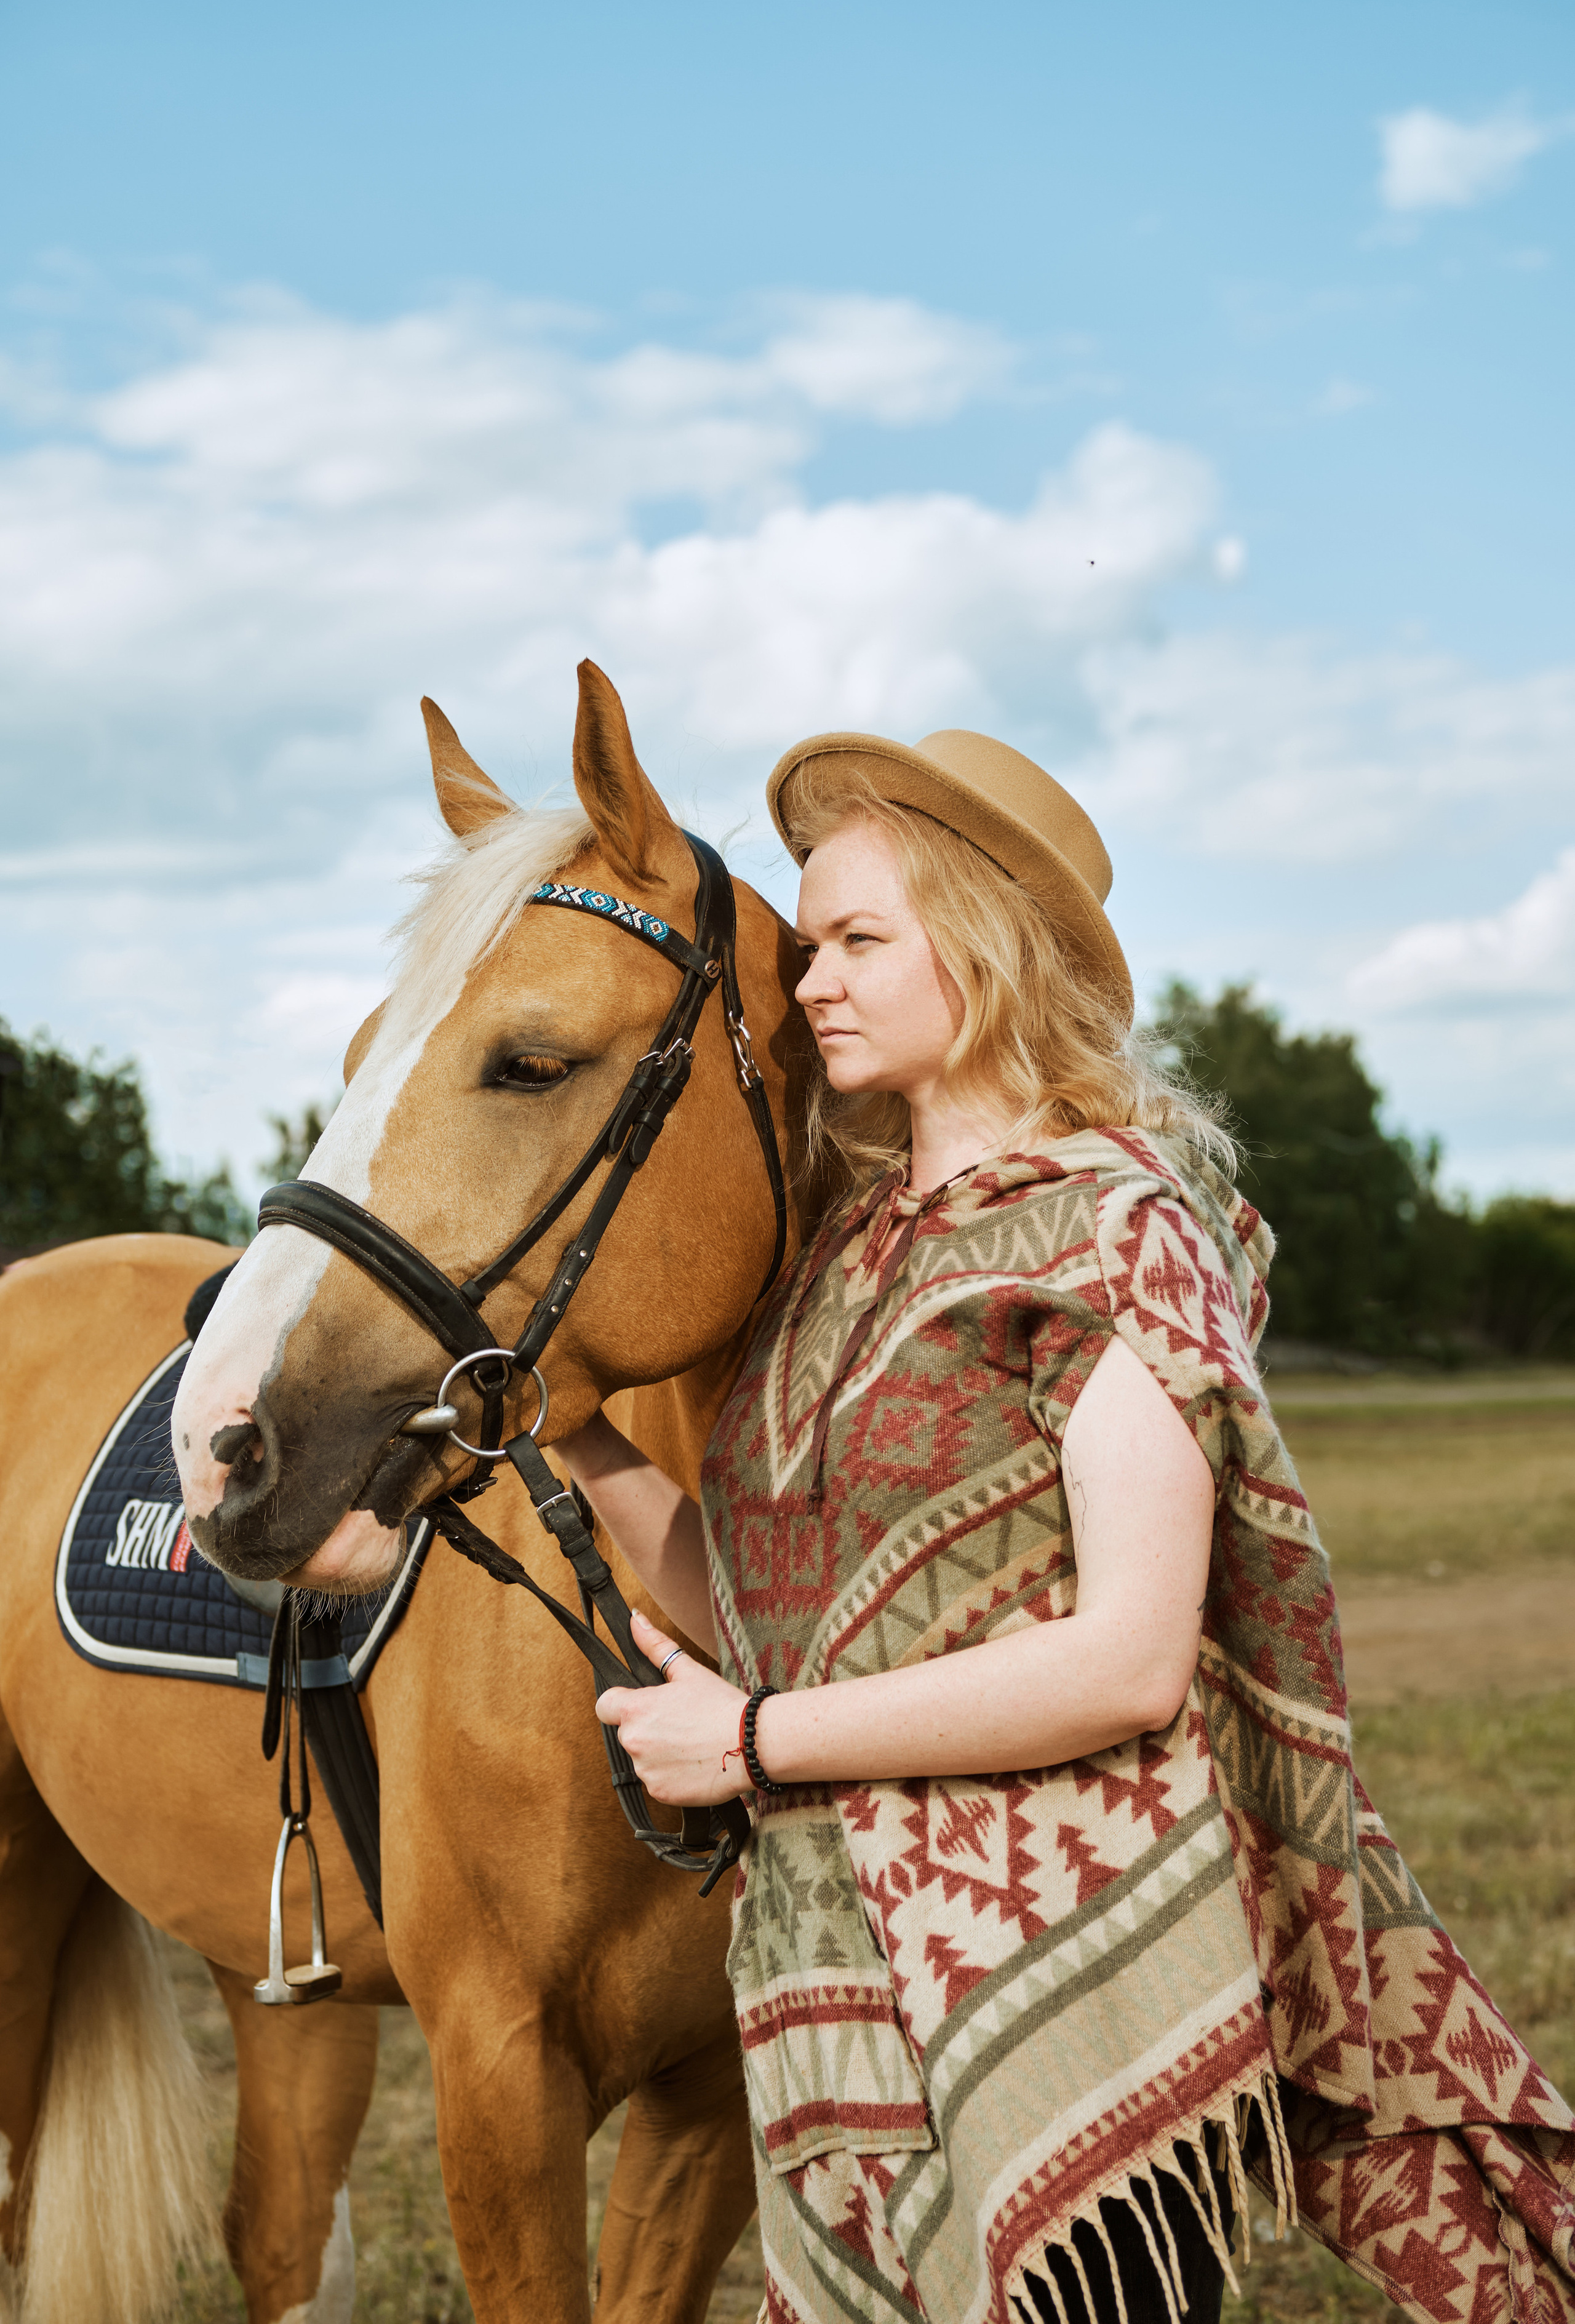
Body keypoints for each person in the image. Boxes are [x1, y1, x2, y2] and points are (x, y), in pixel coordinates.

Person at [554, 724, 1575, 2324]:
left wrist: (749, 1744)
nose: (813, 983)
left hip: (1079, 2003)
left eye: (859, 941)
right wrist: (579, 1436)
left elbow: (1130, 1659)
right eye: (809, 948)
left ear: (984, 944)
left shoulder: (1116, 1230)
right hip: (840, 2000)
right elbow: (761, 1604)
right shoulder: (843, 1262)